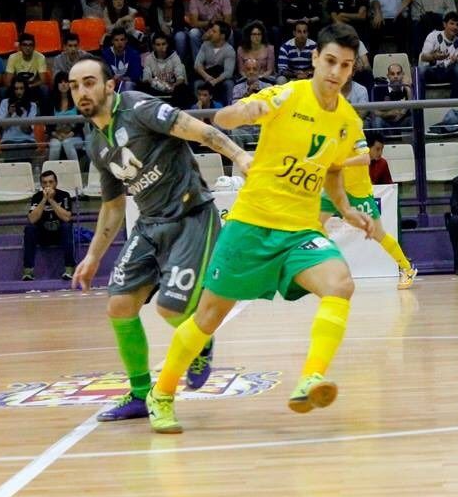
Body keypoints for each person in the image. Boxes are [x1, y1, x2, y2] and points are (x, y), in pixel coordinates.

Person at [141, 23, 373, 433]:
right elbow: (224, 117)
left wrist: (346, 210)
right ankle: (161, 393)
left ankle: (311, 378)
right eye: (331, 61)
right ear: (315, 59)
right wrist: (247, 110)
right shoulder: (287, 95)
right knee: (208, 318)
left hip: (299, 231)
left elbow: (333, 170)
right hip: (251, 224)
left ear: (352, 70)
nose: (336, 71)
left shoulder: (348, 121)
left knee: (340, 283)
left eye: (346, 65)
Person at [68, 54, 251, 423]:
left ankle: (200, 341)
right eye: (74, 86)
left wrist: (238, 154)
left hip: (190, 216)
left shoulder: (138, 107)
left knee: (170, 308)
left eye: (89, 82)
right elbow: (113, 206)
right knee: (119, 305)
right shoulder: (94, 142)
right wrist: (92, 257)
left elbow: (197, 129)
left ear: (109, 85)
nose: (81, 92)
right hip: (149, 224)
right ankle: (138, 394)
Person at [318, 139, 417, 290]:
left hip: (358, 193)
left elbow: (365, 159)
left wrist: (340, 162)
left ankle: (407, 268)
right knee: (314, 226)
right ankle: (321, 270)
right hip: (336, 187)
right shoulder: (328, 129)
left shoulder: (354, 128)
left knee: (379, 234)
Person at [22, 170, 75, 281]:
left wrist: (51, 200)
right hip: (43, 235)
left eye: (50, 182)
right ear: (41, 184)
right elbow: (32, 219)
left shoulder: (64, 196)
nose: (48, 185)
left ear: (56, 183)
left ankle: (69, 268)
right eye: (44, 182)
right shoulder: (37, 197)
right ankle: (28, 270)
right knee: (29, 229)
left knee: (67, 226)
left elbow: (66, 217)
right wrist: (44, 199)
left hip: (59, 234)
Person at [141, 33, 188, 108]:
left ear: (167, 44)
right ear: (153, 46)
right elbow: (146, 78)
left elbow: (180, 78)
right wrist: (158, 85)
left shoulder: (174, 57)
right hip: (156, 88)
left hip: (173, 87)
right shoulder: (149, 59)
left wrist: (173, 86)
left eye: (163, 44)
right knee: (143, 86)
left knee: (182, 88)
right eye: (158, 45)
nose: (161, 47)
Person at [193, 22, 235, 104]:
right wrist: (206, 77)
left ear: (222, 36)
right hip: (207, 74)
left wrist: (215, 81)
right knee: (197, 83)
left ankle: (230, 108)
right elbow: (197, 64)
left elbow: (228, 72)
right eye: (211, 30)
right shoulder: (205, 45)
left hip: (221, 78)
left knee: (229, 84)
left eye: (214, 31)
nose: (210, 33)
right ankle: (197, 110)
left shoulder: (229, 50)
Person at [102, 28, 143, 92]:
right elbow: (104, 73)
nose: (119, 43)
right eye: (116, 40)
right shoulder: (105, 54)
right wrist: (113, 79)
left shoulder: (133, 54)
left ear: (126, 40)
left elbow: (136, 75)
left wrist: (122, 79)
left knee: (127, 85)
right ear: (112, 41)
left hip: (128, 84)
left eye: (122, 40)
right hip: (111, 83)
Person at [0, 80, 38, 146]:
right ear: (12, 90)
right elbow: (3, 128)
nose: (19, 92)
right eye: (16, 89)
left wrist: (21, 115)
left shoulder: (32, 105)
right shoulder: (4, 103)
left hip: (27, 140)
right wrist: (9, 114)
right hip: (8, 140)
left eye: (21, 88)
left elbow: (28, 130)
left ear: (25, 89)